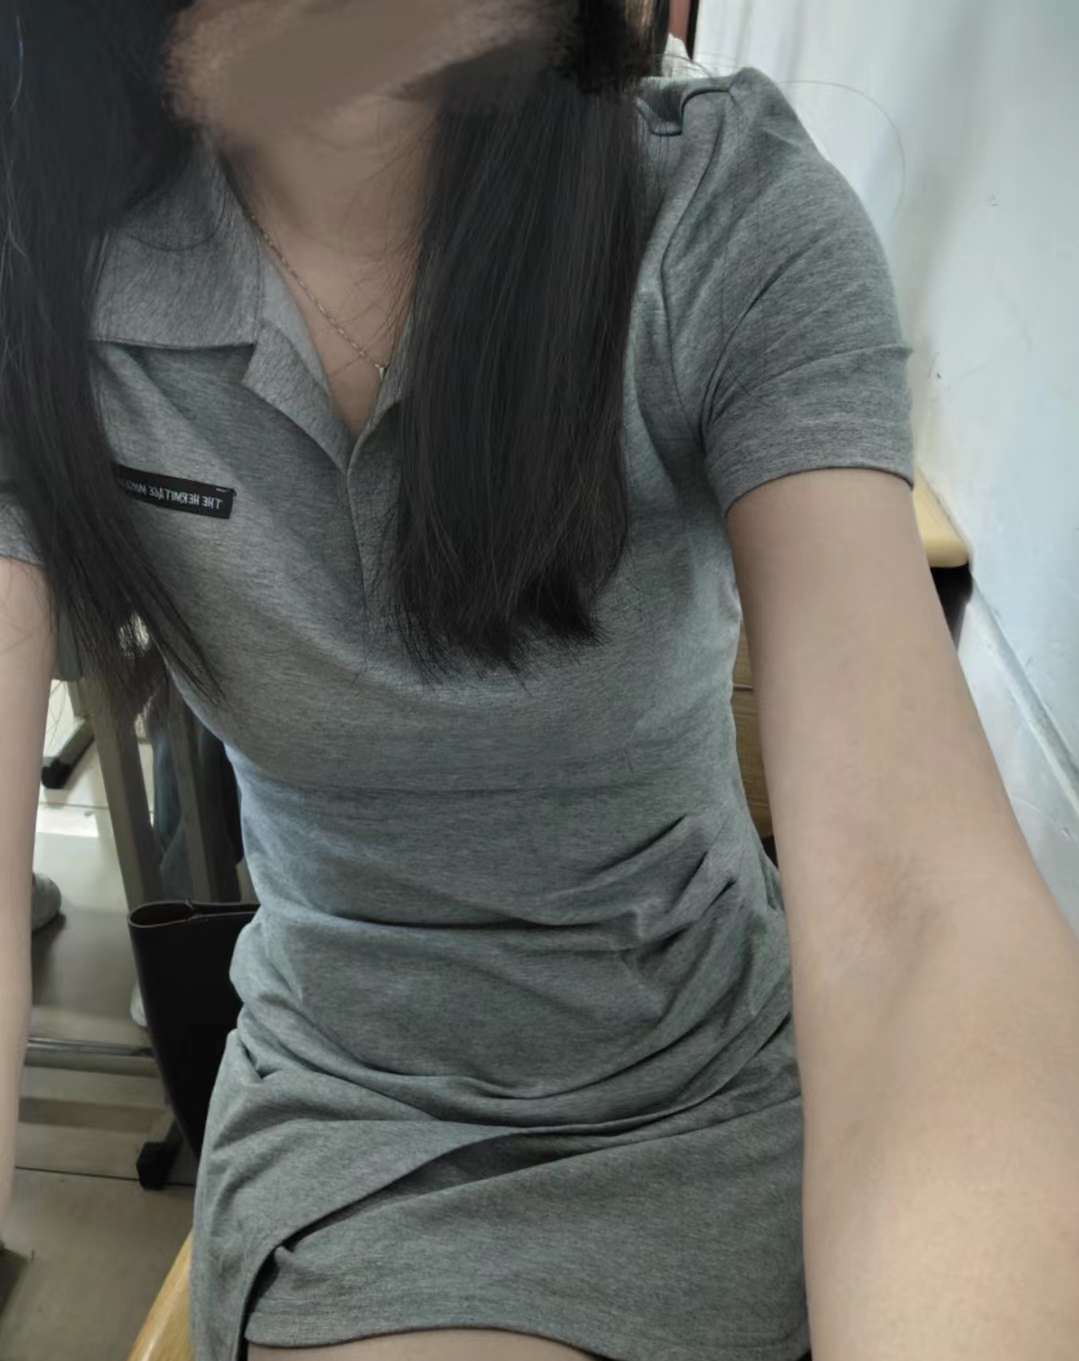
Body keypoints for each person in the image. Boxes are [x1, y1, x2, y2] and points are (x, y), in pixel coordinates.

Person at [2, 4, 1078, 1361]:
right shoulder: (43, 270)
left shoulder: (716, 213)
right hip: (367, 1124)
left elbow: (917, 912)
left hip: (727, 1083)